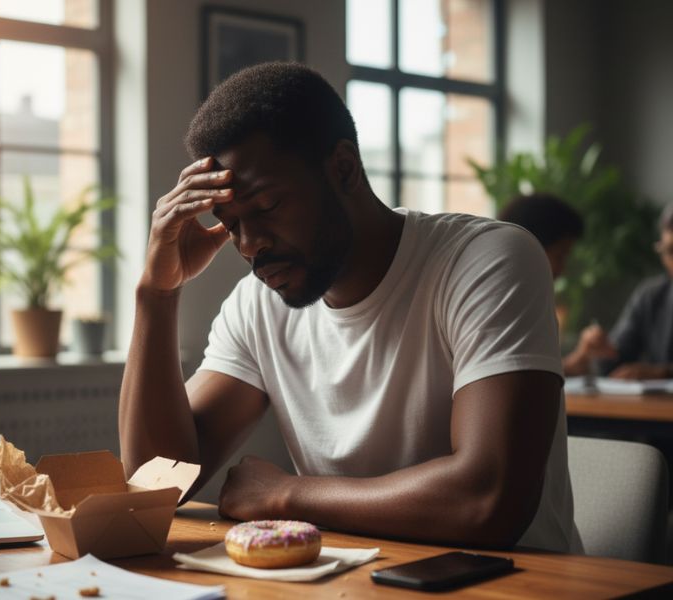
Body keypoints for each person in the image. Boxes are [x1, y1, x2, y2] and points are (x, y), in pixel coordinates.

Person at [119, 62, 582, 553]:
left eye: (268, 207)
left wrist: (286, 495)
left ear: (343, 167)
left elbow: (487, 501)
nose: (250, 245)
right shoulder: (257, 307)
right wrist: (157, 293)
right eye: (230, 224)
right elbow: (155, 485)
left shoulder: (485, 261)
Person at [496, 194, 609, 376]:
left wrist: (574, 363)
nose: (561, 270)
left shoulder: (520, 303)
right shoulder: (496, 308)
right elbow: (515, 380)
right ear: (528, 248)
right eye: (560, 255)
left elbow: (524, 375)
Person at [568, 204, 673, 379]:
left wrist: (664, 372)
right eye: (670, 251)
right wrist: (597, 351)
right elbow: (615, 360)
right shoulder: (652, 296)